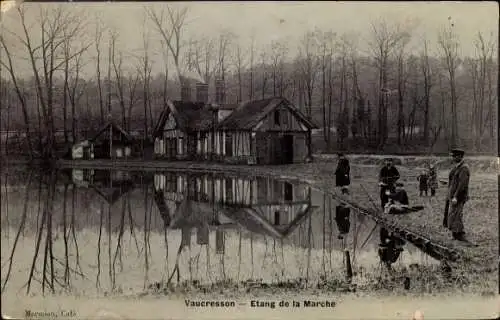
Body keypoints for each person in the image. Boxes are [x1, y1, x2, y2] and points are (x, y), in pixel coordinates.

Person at [442, 148, 471, 242]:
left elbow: (462, 184)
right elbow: (454, 181)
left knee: (457, 215)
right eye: (453, 156)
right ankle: (455, 235)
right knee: (452, 215)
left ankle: (460, 235)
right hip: (452, 195)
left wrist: (456, 196)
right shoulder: (457, 167)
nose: (453, 157)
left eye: (455, 156)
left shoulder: (464, 168)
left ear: (460, 156)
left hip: (459, 196)